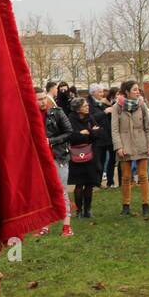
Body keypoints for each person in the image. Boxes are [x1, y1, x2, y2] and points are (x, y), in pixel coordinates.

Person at [110, 80, 149, 217]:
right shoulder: (117, 107)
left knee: (143, 175)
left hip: (141, 144)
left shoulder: (142, 105)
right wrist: (118, 147)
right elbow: (115, 129)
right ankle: (126, 205)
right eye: (134, 90)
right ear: (127, 92)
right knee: (126, 177)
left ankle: (146, 204)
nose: (137, 92)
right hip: (125, 145)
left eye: (138, 90)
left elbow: (148, 127)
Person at [37, 92, 73, 237]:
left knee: (61, 191)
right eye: (39, 99)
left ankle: (67, 227)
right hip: (40, 159)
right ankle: (44, 226)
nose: (43, 101)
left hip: (59, 157)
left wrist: (51, 141)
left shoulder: (57, 113)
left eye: (44, 98)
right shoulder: (30, 115)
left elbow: (69, 132)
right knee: (43, 193)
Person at [65, 96, 102, 219]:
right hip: (77, 156)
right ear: (77, 109)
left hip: (91, 155)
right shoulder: (70, 119)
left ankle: (88, 209)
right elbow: (71, 136)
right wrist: (83, 134)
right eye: (84, 106)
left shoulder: (90, 118)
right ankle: (79, 210)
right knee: (79, 184)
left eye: (87, 105)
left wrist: (87, 132)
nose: (87, 107)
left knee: (90, 184)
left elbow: (98, 133)